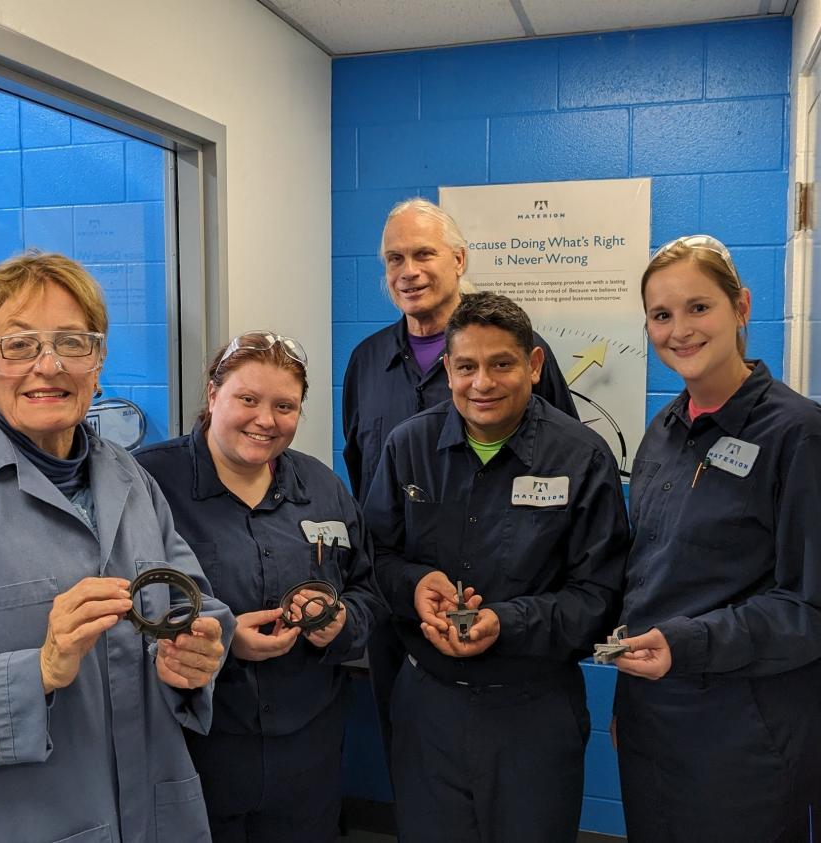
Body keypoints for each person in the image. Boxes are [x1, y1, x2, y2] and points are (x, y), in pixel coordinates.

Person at [0, 253, 234, 843]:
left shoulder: (128, 478)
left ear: (100, 361)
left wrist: (201, 653)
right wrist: (38, 671)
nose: (49, 365)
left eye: (73, 342)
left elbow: (194, 604)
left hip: (156, 819)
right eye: (18, 345)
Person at [363, 292, 628, 841]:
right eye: (466, 367)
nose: (482, 383)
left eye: (501, 364)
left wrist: (508, 622)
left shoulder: (581, 456)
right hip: (427, 705)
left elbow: (599, 597)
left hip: (532, 710)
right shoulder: (408, 447)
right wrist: (413, 586)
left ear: (533, 365)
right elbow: (375, 558)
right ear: (448, 370)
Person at [342, 197, 579, 773]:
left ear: (459, 259)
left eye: (424, 253)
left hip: (507, 618)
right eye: (394, 258)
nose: (409, 270)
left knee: (515, 784)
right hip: (400, 611)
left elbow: (566, 463)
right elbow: (360, 473)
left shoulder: (512, 354)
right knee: (420, 773)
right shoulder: (366, 362)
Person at [135, 331, 384, 843]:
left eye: (285, 405)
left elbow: (367, 589)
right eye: (247, 399)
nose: (266, 420)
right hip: (196, 746)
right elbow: (122, 605)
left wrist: (339, 621)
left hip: (306, 751)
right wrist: (223, 639)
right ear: (212, 394)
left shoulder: (320, 486)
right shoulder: (147, 482)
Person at [613, 235, 821, 842]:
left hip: (744, 736)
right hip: (654, 719)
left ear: (742, 307)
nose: (680, 330)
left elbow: (807, 608)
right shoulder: (664, 430)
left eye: (699, 307)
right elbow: (650, 573)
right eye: (661, 315)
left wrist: (690, 643)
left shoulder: (798, 436)